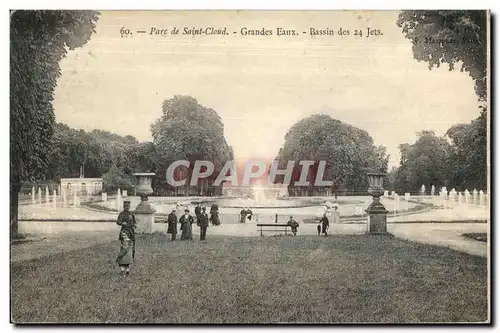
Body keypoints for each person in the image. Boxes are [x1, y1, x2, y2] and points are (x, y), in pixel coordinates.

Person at [116, 201, 136, 275]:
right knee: (124, 250)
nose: (127, 207)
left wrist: (134, 225)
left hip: (131, 233)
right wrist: (122, 223)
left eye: (128, 206)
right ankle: (122, 268)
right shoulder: (121, 214)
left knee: (131, 251)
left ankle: (128, 268)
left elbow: (134, 222)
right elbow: (118, 221)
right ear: (124, 206)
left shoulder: (131, 214)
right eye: (125, 206)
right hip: (124, 233)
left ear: (129, 206)